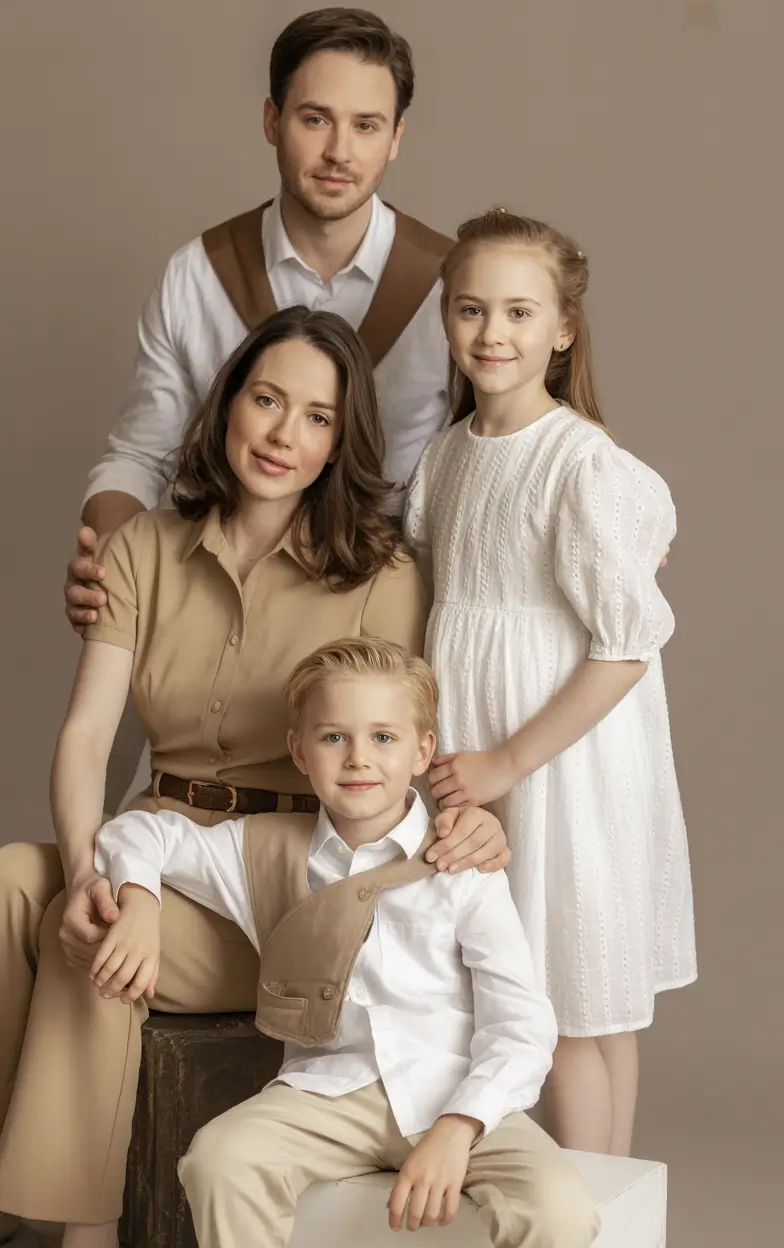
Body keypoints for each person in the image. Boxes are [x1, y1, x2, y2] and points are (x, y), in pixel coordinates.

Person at [0, 308, 509, 1248]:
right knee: (13, 878)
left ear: (341, 444)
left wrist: (476, 817)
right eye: (267, 400)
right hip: (161, 834)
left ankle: (82, 1224)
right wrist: (99, 875)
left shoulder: (381, 573)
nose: (286, 435)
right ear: (227, 408)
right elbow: (87, 737)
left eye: (319, 418)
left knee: (94, 946)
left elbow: (407, 737)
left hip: (290, 878)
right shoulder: (146, 549)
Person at [91, 637, 600, 1248]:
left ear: (422, 750)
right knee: (219, 1160)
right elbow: (138, 832)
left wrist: (458, 1127)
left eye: (384, 737)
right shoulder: (262, 851)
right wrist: (140, 904)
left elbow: (520, 1024)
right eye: (334, 737)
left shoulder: (462, 861)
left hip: (458, 1094)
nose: (359, 758)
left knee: (559, 1210)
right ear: (298, 752)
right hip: (328, 1094)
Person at [404, 207, 697, 1158]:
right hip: (481, 745)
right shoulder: (444, 458)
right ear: (446, 320)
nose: (493, 334)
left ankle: (597, 1213)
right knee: (544, 1002)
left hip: (559, 758)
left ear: (563, 329)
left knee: (574, 1002)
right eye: (471, 310)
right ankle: (601, 1214)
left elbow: (625, 645)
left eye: (520, 313)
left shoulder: (578, 465)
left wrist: (507, 762)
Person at [65, 6, 453, 635]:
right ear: (272, 121)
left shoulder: (451, 289)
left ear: (396, 138)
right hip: (224, 599)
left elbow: (516, 438)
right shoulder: (198, 276)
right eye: (315, 118)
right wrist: (104, 545)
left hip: (395, 619)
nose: (339, 152)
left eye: (366, 125)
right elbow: (141, 452)